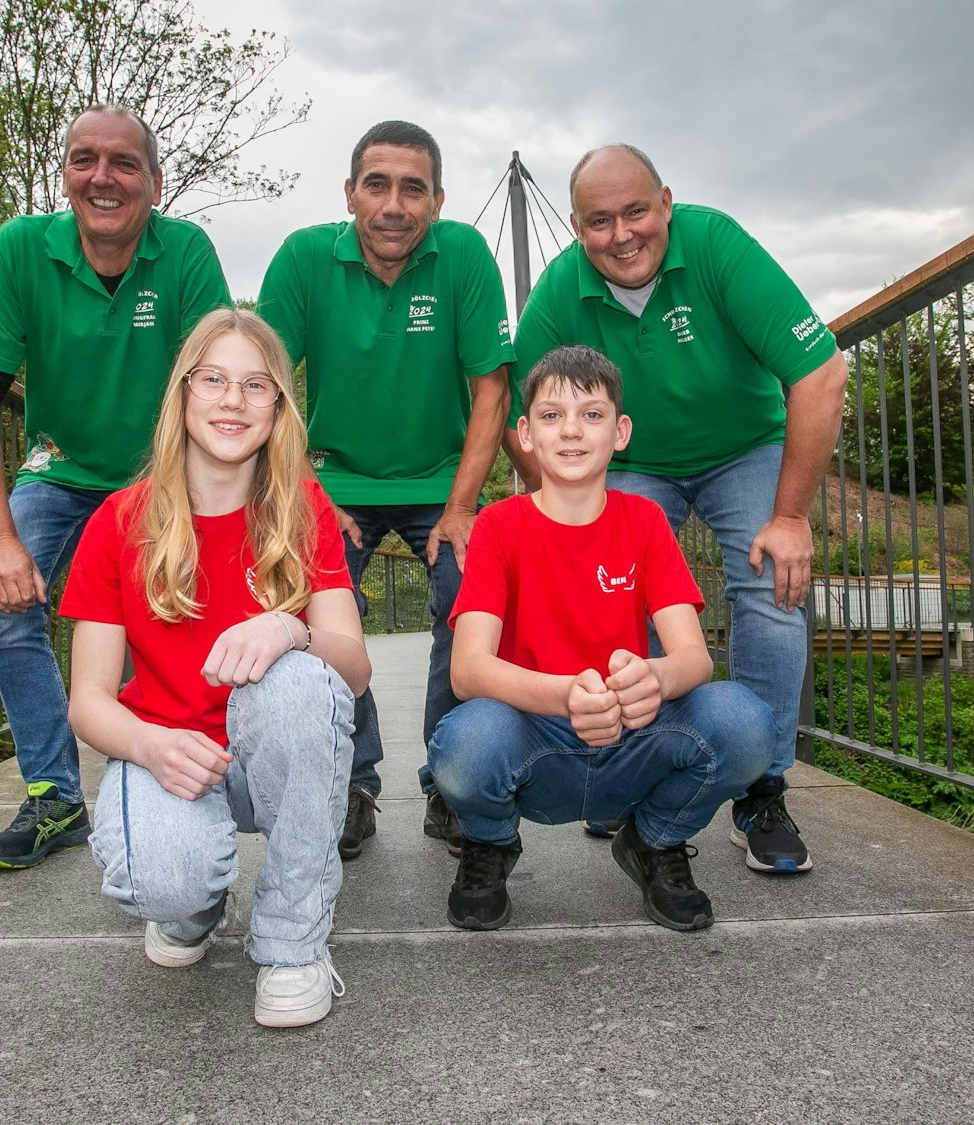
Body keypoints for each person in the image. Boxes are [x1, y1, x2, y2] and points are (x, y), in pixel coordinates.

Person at [510, 144, 848, 874]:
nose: (622, 233)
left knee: (771, 581)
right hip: (632, 461)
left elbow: (820, 372)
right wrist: (552, 514)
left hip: (746, 446)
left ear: (666, 201)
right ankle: (637, 769)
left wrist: (790, 518)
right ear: (575, 227)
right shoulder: (558, 294)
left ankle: (761, 788)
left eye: (637, 211)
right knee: (610, 585)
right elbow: (523, 420)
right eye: (600, 221)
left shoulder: (717, 244)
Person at [60, 308, 369, 1028]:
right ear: (183, 393)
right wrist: (148, 745)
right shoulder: (119, 520)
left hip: (268, 757)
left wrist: (290, 627)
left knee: (302, 681)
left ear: (278, 408)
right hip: (169, 753)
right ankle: (196, 903)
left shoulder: (301, 507)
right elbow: (89, 701)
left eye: (256, 385)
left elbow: (352, 670)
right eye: (215, 379)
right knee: (170, 887)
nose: (233, 400)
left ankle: (293, 942)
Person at [0, 105, 231, 869]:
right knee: (4, 597)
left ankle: (152, 771)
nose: (102, 178)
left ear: (155, 182)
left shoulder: (186, 254)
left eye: (123, 164)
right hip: (61, 467)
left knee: (171, 609)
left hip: (163, 474)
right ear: (65, 173)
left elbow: (214, 383)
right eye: (84, 160)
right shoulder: (19, 249)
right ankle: (55, 796)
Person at [428, 346, 770, 932]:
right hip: (534, 738)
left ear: (621, 432)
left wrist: (657, 678)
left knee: (746, 723)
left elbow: (694, 657)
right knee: (465, 743)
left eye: (592, 414)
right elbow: (469, 669)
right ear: (526, 434)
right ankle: (490, 843)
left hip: (630, 737)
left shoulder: (644, 521)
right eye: (552, 414)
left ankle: (656, 841)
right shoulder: (498, 526)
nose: (571, 430)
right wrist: (566, 697)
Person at [256, 120, 515, 860]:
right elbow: (267, 387)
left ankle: (452, 783)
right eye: (377, 184)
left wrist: (463, 507)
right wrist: (309, 493)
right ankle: (352, 783)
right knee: (308, 600)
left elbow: (492, 391)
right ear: (349, 194)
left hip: (443, 477)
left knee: (470, 598)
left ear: (437, 200)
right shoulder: (304, 259)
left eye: (413, 187)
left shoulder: (463, 253)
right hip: (332, 476)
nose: (394, 204)